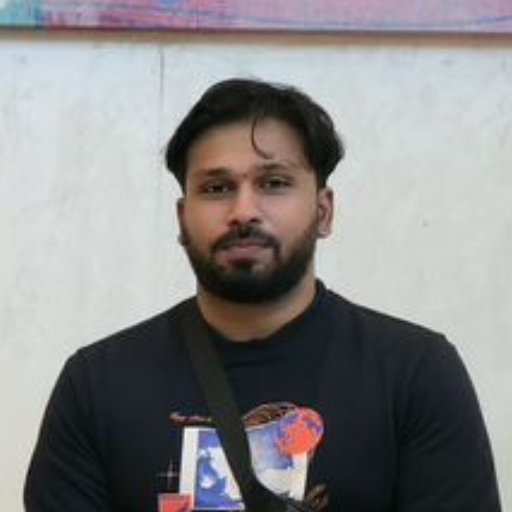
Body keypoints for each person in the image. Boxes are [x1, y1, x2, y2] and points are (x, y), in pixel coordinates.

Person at [24, 78, 502, 512]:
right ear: (182, 220)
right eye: (217, 188)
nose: (243, 210)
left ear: (323, 211)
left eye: (274, 183)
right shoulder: (97, 385)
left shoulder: (415, 373)